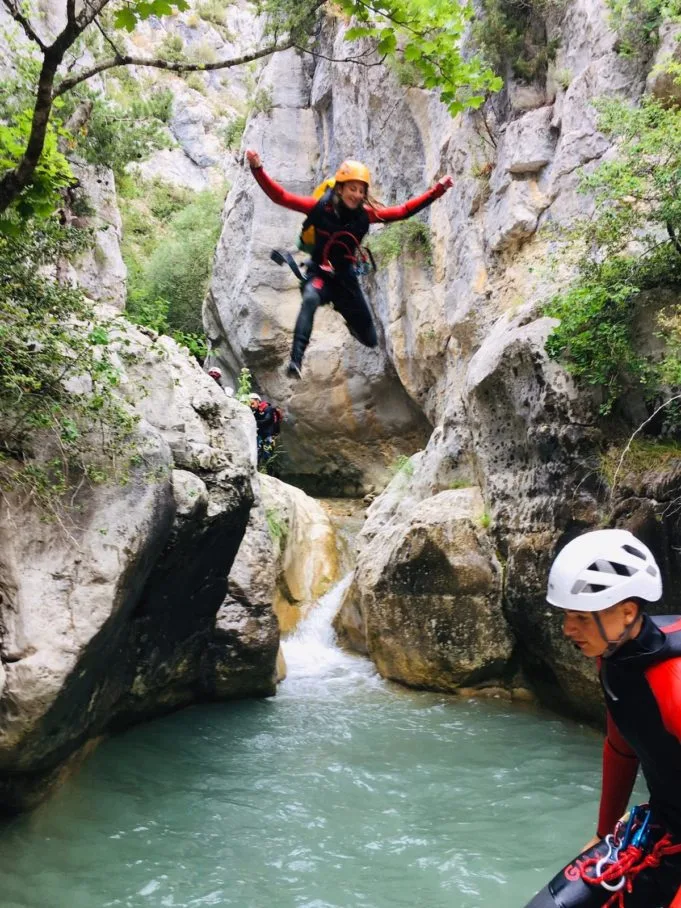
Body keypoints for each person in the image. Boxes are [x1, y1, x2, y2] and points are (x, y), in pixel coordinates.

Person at [524, 528, 681, 908]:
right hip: (662, 827)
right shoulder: (612, 659)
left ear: (627, 611)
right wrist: (602, 833)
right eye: (566, 615)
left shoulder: (674, 686)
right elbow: (621, 748)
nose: (567, 629)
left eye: (580, 616)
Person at [245, 149, 453, 379]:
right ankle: (296, 361)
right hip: (320, 274)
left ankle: (348, 319)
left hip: (346, 281)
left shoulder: (366, 216)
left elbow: (402, 211)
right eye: (352, 188)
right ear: (340, 187)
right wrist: (257, 168)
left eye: (361, 190)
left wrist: (437, 191)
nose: (356, 194)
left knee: (370, 340)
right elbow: (280, 197)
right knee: (311, 298)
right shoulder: (319, 208)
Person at [248, 393, 283, 466]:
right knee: (258, 452)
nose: (251, 405)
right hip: (260, 435)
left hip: (269, 436)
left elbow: (268, 420)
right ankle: (261, 469)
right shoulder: (255, 411)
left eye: (252, 403)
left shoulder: (268, 409)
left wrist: (254, 422)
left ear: (257, 401)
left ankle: (269, 472)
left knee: (267, 454)